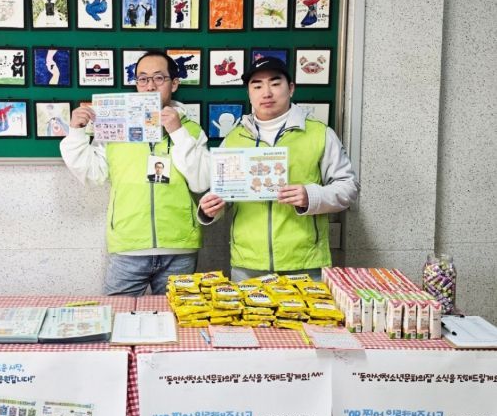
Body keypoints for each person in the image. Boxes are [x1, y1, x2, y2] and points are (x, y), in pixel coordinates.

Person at [60, 50, 210, 295]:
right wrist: (76, 132)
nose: (150, 86)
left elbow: (201, 181)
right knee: (117, 314)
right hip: (128, 246)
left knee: (178, 316)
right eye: (142, 79)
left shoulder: (191, 130)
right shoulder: (115, 127)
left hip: (179, 247)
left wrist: (177, 132)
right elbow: (93, 174)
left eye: (159, 78)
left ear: (174, 83)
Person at [199, 56, 359, 281]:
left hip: (305, 263)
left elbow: (349, 188)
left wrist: (311, 196)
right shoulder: (234, 139)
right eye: (257, 86)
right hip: (247, 263)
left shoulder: (319, 134)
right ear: (249, 93)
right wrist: (210, 209)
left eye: (275, 83)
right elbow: (225, 195)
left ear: (291, 88)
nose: (266, 93)